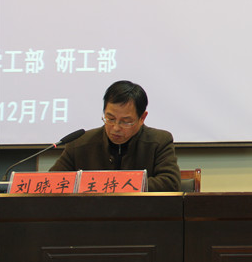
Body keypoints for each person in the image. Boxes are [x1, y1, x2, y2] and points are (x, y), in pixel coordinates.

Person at [50, 80, 181, 192]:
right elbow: (52, 183)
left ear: (142, 118)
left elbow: (170, 183)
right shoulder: (79, 143)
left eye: (126, 122)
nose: (116, 128)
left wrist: (113, 184)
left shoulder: (159, 141)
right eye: (110, 119)